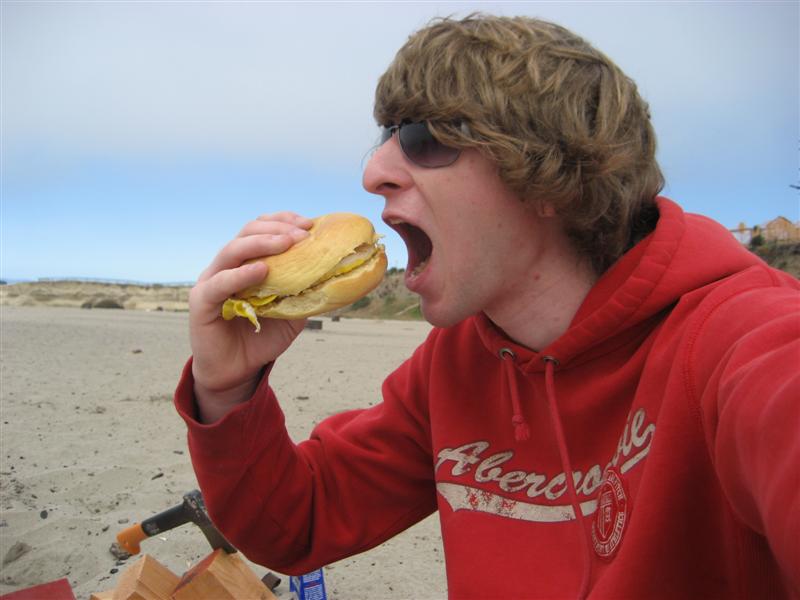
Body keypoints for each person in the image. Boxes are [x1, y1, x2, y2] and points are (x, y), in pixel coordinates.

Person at [175, 14, 800, 599]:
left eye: (424, 138)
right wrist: (226, 388)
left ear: (552, 174)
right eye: (387, 136)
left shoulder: (742, 340)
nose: (374, 172)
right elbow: (298, 520)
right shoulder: (459, 361)